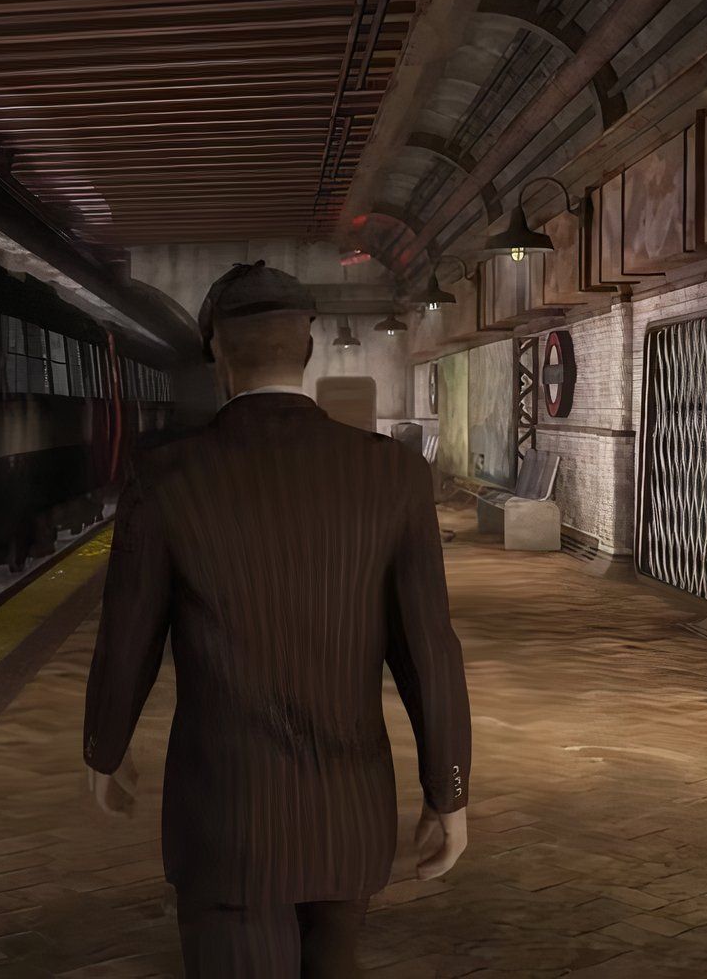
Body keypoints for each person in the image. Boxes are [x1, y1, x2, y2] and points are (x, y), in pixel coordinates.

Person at [82, 261, 472, 977]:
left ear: (218, 356)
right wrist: (447, 791)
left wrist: (106, 747)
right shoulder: (392, 475)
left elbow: (126, 636)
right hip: (350, 818)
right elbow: (429, 652)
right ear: (310, 347)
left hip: (226, 821)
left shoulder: (167, 479)